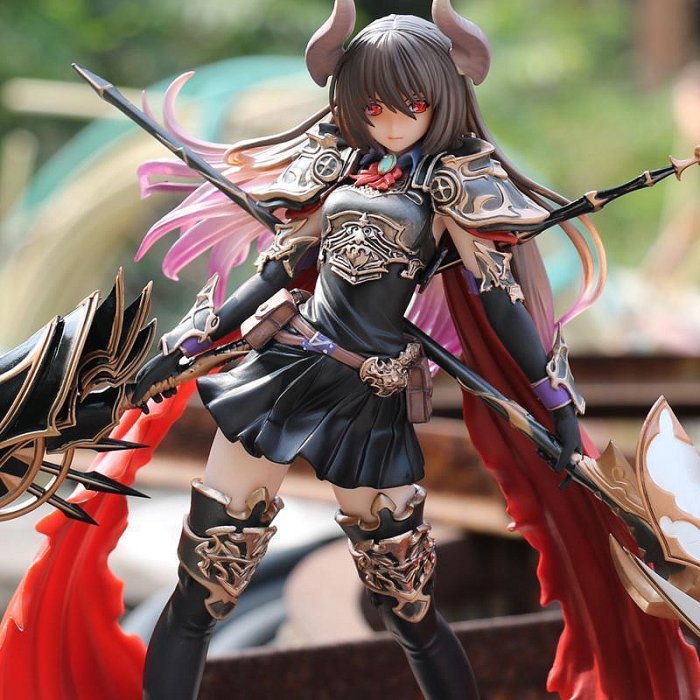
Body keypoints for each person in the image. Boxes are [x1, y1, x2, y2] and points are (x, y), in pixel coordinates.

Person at [2, 3, 699, 699]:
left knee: (408, 607)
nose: (390, 123)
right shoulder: (335, 168)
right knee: (204, 586)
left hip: (368, 402)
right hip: (281, 378)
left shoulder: (456, 189)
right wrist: (189, 343)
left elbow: (502, 308)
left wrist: (556, 404)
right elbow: (275, 275)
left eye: (410, 106)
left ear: (442, 100)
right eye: (373, 107)